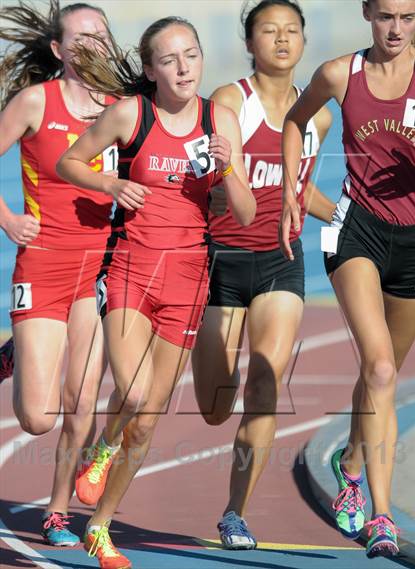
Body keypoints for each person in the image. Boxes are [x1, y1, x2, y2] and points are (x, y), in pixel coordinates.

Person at [57, 16, 256, 568]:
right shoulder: (131, 114)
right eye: (168, 60)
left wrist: (229, 169)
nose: (183, 67)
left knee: (146, 420)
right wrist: (112, 182)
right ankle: (101, 450)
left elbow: (243, 213)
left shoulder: (221, 122)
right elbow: (67, 161)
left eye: (190, 55)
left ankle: (99, 527)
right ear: (150, 69)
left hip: (189, 278)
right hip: (129, 272)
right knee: (138, 393)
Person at [191, 0, 334, 549]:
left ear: (303, 41)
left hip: (282, 264)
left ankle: (235, 513)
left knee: (265, 384)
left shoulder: (318, 114)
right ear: (249, 43)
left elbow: (300, 190)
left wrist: (352, 216)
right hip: (222, 265)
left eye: (291, 31)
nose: (281, 40)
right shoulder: (231, 102)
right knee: (212, 408)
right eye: (268, 31)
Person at [281, 0, 415, 558]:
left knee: (381, 374)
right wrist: (293, 190)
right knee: (380, 365)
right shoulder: (341, 73)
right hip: (355, 230)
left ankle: (351, 465)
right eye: (387, 16)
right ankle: (382, 517)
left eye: (408, 17)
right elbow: (295, 121)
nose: (396, 29)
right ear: (367, 12)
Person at [0, 0, 117, 546]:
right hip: (42, 262)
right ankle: (14, 353)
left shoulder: (125, 106)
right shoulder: (34, 101)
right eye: (81, 38)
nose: (93, 45)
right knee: (38, 419)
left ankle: (57, 511)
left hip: (95, 270)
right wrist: (6, 218)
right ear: (58, 50)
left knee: (82, 402)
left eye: (102, 35)